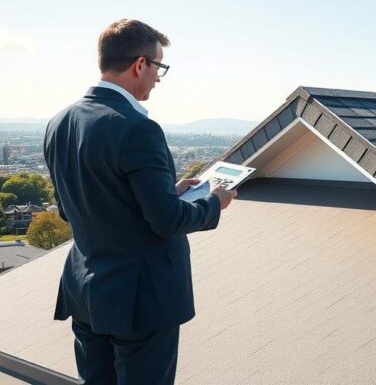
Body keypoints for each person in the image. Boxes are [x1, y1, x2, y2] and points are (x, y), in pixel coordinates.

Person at [44, 19, 237, 385]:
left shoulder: (60, 122)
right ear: (139, 64)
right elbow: (166, 221)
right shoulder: (137, 128)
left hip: (86, 288)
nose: (158, 78)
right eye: (159, 67)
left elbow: (71, 209)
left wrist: (168, 190)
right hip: (141, 300)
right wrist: (214, 203)